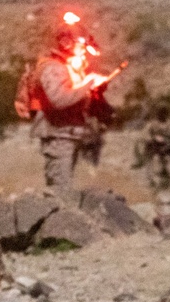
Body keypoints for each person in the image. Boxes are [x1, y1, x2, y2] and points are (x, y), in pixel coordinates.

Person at [31, 23, 114, 191]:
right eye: (80, 45)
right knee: (60, 190)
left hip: (70, 134)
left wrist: (94, 89)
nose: (83, 50)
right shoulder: (52, 68)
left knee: (67, 187)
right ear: (66, 43)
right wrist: (88, 85)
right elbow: (59, 99)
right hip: (57, 136)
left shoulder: (69, 68)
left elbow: (76, 96)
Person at [138, 102, 170, 190]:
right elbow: (143, 135)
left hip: (169, 153)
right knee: (155, 173)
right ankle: (156, 193)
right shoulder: (152, 124)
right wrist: (153, 139)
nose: (163, 114)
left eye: (165, 112)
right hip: (156, 153)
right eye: (161, 112)